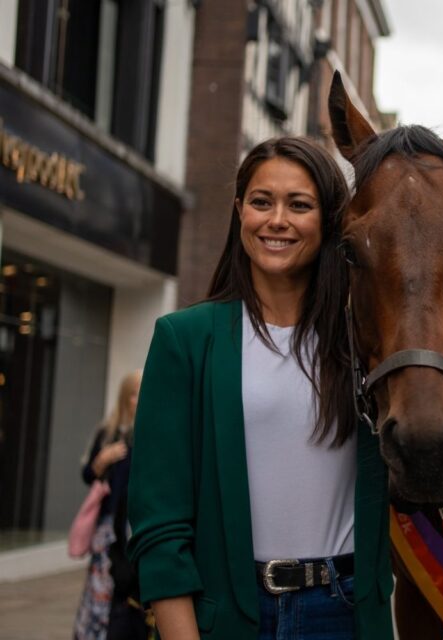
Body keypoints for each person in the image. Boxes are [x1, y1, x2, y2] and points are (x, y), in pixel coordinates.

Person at [127, 137, 393, 640]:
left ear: (329, 220)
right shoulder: (184, 340)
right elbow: (159, 525)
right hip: (227, 615)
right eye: (261, 201)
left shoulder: (366, 343)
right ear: (239, 212)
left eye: (299, 205)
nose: (277, 220)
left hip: (346, 612)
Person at [74, 370, 149, 640]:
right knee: (101, 587)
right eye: (134, 393)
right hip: (107, 529)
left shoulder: (147, 432)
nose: (138, 399)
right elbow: (88, 475)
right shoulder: (109, 433)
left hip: (132, 526)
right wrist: (103, 459)